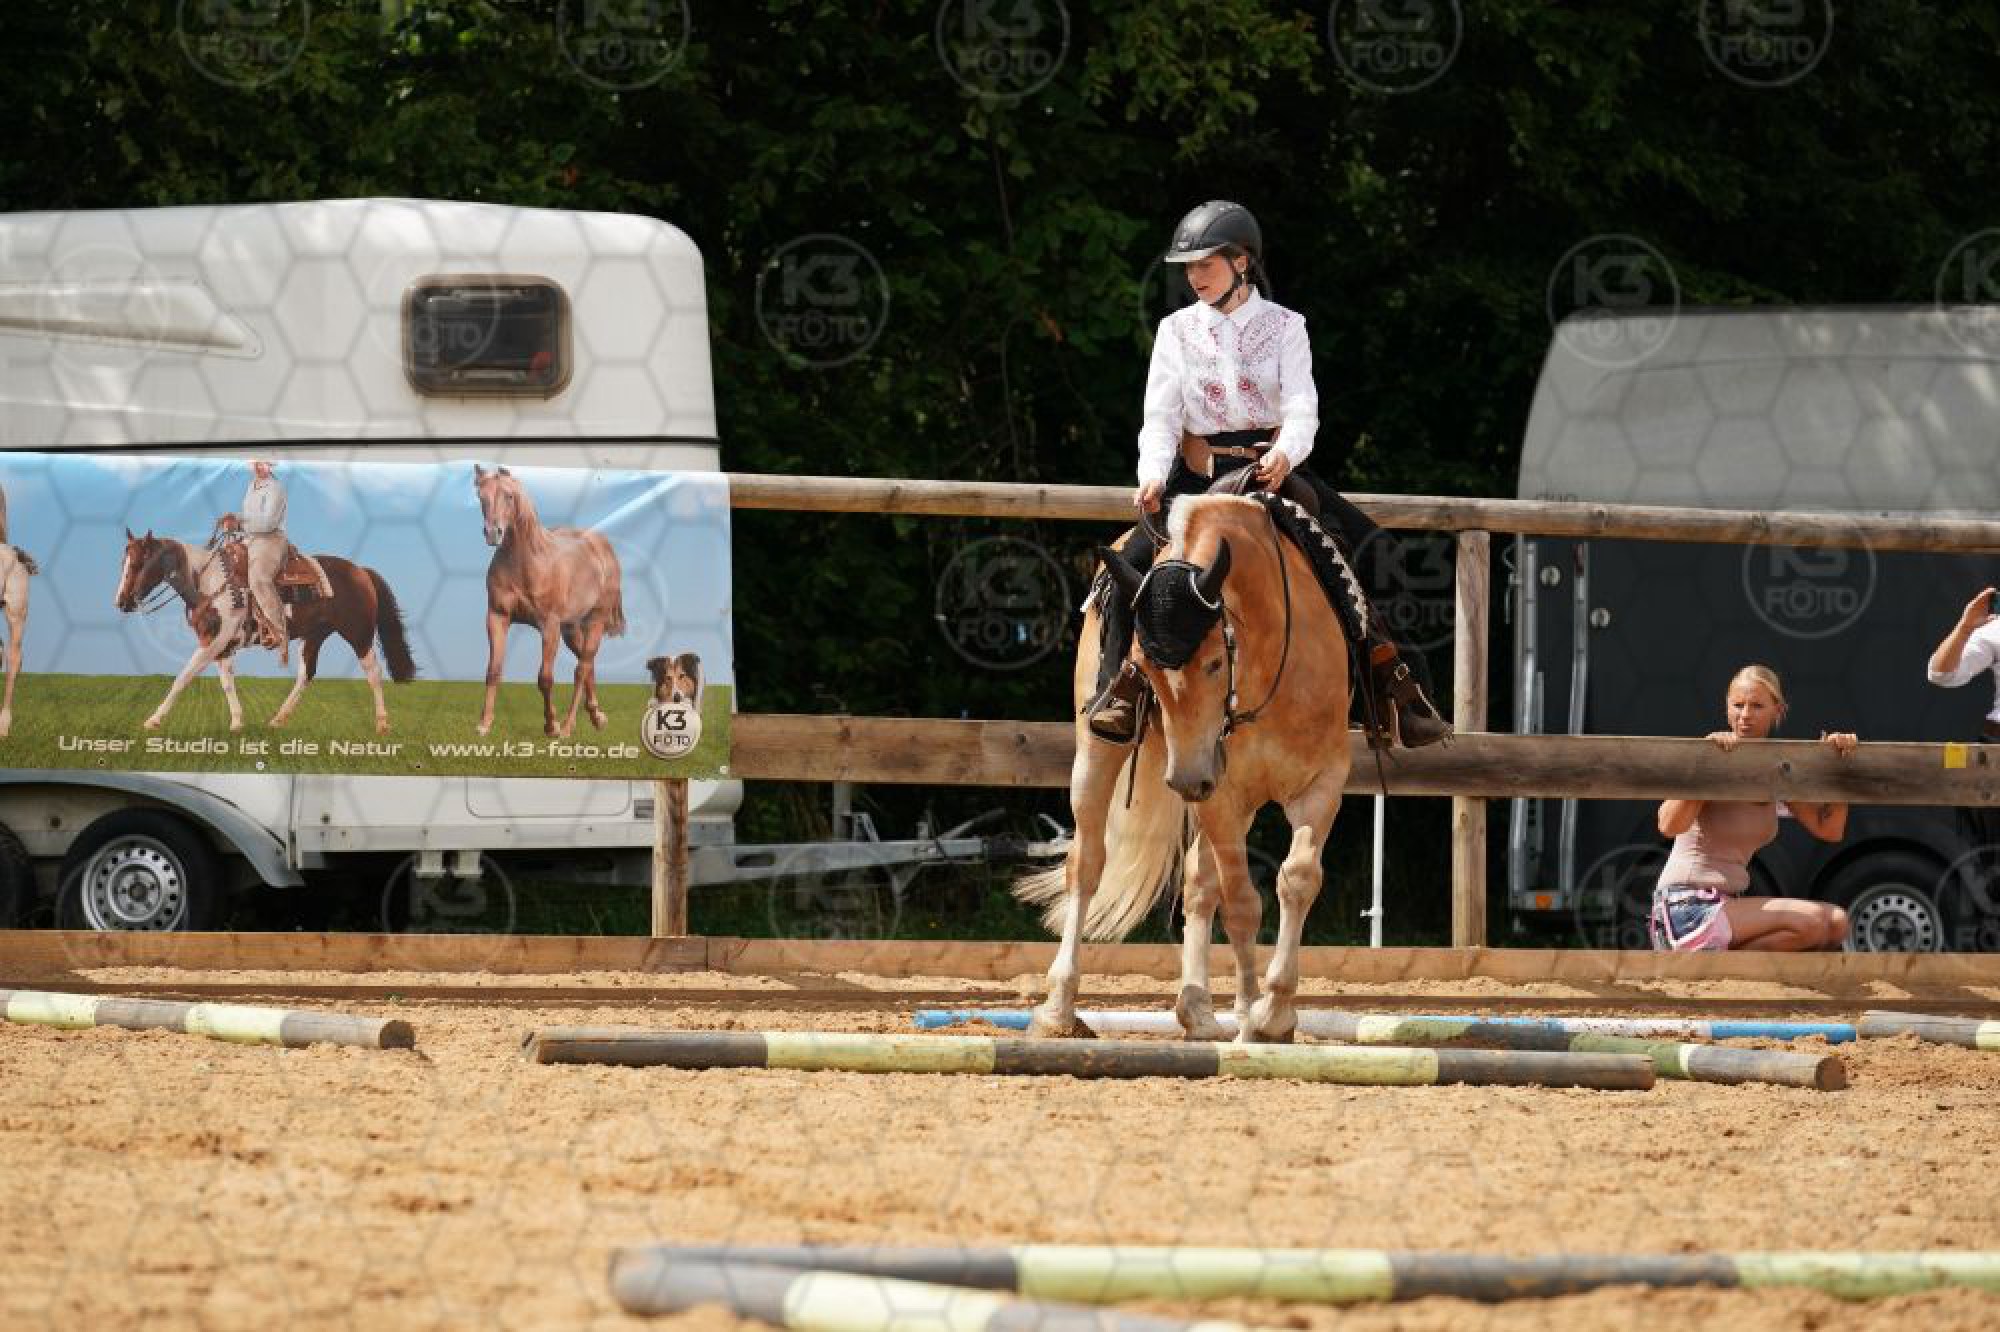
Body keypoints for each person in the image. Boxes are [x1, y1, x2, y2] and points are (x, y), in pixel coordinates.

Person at [1085, 200, 1449, 749]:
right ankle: (1118, 692)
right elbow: (1160, 418)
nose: (1194, 276)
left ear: (1242, 262)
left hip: (1270, 473)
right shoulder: (1174, 331)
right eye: (1188, 267)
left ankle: (1397, 690)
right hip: (1195, 481)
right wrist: (1152, 475)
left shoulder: (1286, 327)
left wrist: (1285, 454)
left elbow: (1302, 408)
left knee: (1377, 552)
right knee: (1126, 568)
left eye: (1205, 264)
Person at [1651, 664, 1856, 952]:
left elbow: (1830, 830)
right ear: (1726, 709)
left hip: (1728, 907)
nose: (1745, 715)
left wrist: (1838, 764)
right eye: (1738, 705)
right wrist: (1706, 766)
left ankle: (1725, 969)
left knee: (1837, 923)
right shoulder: (1712, 754)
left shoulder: (1778, 770)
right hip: (1685, 908)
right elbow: (1668, 825)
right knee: (1812, 922)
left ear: (1778, 710)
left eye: (1757, 706)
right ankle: (1720, 966)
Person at [241, 459, 294, 665]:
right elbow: (248, 516)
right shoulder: (251, 486)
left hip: (271, 538)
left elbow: (269, 522)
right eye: (255, 463)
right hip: (250, 537)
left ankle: (279, 633)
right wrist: (234, 519)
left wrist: (240, 522)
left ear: (269, 466)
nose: (257, 467)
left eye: (262, 463)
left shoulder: (275, 488)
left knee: (259, 579)